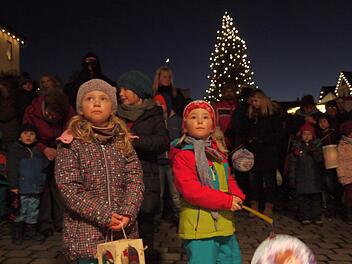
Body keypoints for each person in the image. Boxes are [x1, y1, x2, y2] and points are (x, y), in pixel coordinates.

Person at [55, 79, 145, 263]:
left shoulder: (123, 141)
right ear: (80, 106)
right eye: (89, 98)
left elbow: (135, 180)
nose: (96, 103)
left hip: (123, 232)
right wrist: (104, 215)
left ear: (112, 106)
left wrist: (127, 212)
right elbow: (69, 188)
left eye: (103, 98)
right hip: (86, 235)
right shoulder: (71, 143)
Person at [170, 100, 245, 264]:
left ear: (212, 126)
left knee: (232, 260)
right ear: (185, 126)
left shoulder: (217, 154)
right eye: (193, 117)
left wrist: (237, 194)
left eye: (205, 117)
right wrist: (226, 200)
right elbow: (191, 191)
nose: (199, 120)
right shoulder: (183, 156)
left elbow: (228, 179)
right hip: (199, 227)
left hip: (224, 224)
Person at [116, 70, 169, 262]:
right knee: (122, 224)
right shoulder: (116, 114)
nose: (121, 93)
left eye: (126, 89)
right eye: (120, 89)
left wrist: (137, 141)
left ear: (138, 91)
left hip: (146, 174)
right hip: (120, 176)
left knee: (145, 224)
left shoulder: (153, 114)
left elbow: (163, 142)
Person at [23, 89, 75, 236]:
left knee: (60, 187)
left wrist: (61, 147)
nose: (52, 118)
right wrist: (44, 148)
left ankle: (62, 223)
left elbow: (71, 130)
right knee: (43, 189)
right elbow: (27, 135)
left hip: (61, 149)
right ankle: (45, 224)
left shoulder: (68, 111)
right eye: (50, 114)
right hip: (39, 150)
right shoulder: (32, 111)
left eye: (56, 116)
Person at [7, 123, 47, 244]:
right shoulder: (15, 150)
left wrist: (42, 180)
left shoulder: (37, 151)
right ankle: (18, 234)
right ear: (20, 136)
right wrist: (14, 186)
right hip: (21, 188)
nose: (28, 136)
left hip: (35, 188)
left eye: (31, 134)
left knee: (33, 210)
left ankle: (31, 232)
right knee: (20, 211)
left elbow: (43, 167)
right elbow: (12, 169)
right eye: (25, 134)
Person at [246, 89, 282, 216]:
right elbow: (246, 132)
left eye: (256, 101)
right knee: (254, 181)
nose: (253, 104)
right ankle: (254, 205)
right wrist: (250, 140)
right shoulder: (251, 117)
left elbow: (278, 134)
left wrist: (263, 140)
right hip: (254, 153)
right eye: (252, 101)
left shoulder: (272, 115)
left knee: (269, 181)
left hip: (268, 153)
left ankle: (268, 205)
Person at [288, 122, 324, 225]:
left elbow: (320, 161)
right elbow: (293, 164)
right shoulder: (297, 147)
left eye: (309, 134)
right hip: (302, 178)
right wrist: (292, 177)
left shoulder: (317, 146)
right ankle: (305, 216)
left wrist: (314, 152)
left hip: (314, 178)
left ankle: (316, 216)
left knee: (316, 199)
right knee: (303, 200)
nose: (307, 136)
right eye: (305, 134)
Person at [316, 114, 340, 220]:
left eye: (324, 121)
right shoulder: (318, 135)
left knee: (332, 187)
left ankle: (334, 209)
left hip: (334, 164)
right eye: (320, 122)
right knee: (325, 186)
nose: (322, 124)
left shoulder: (334, 134)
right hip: (322, 164)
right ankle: (327, 208)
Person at [213, 83, 238, 150]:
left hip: (237, 142)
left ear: (235, 93)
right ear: (223, 93)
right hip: (222, 141)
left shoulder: (238, 106)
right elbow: (215, 123)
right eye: (227, 91)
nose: (229, 93)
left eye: (231, 91)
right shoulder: (218, 106)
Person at [337, 120, 352, 224]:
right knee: (349, 196)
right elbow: (340, 161)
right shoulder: (343, 145)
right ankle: (348, 214)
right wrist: (341, 175)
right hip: (348, 174)